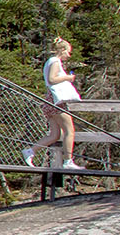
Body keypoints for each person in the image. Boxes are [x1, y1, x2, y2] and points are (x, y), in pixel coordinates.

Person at [25, 37, 80, 170]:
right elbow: (52, 79)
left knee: (55, 135)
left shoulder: (52, 61)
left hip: (50, 100)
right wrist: (68, 78)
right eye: (68, 52)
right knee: (69, 130)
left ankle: (30, 151)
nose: (69, 55)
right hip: (55, 101)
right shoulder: (55, 61)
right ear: (62, 50)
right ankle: (68, 161)